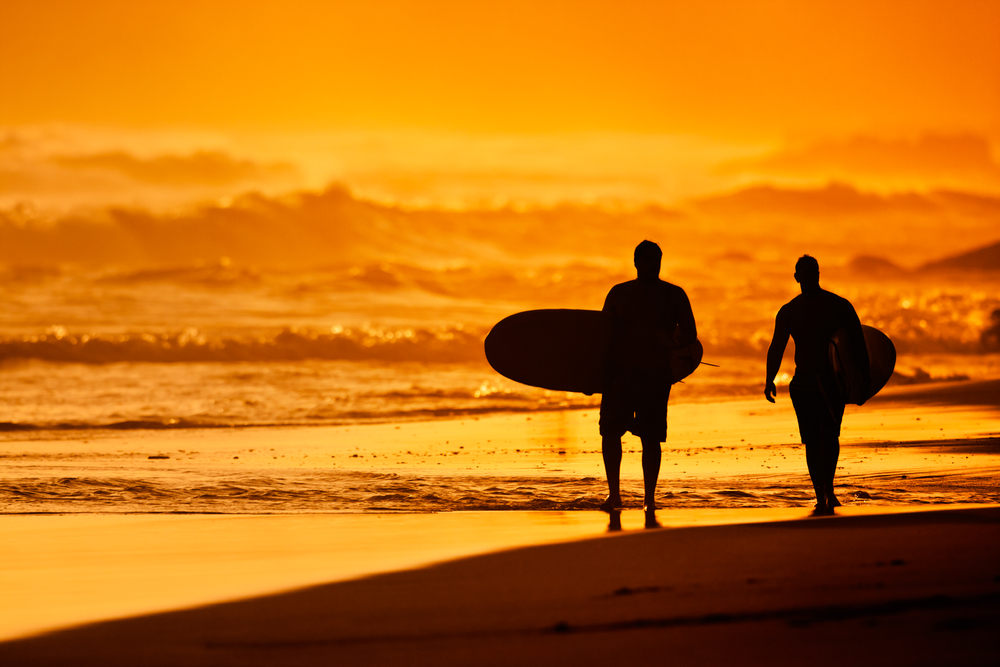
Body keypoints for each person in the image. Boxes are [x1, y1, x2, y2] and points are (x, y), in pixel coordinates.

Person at [765, 255, 869, 515]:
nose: (811, 277)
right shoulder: (789, 310)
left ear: (819, 274)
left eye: (814, 273)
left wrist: (865, 379)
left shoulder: (838, 306)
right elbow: (777, 346)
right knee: (811, 440)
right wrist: (769, 379)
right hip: (802, 383)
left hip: (832, 381)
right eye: (806, 273)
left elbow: (858, 344)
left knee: (831, 436)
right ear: (797, 277)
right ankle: (819, 492)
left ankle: (829, 489)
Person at [599, 240, 697, 517]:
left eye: (657, 259)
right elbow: (602, 336)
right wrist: (591, 376)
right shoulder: (619, 293)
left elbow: (691, 333)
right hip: (619, 374)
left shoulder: (674, 295)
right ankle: (614, 494)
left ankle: (649, 498)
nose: (653, 264)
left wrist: (672, 342)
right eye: (648, 259)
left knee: (651, 437)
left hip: (655, 374)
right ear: (636, 262)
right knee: (610, 432)